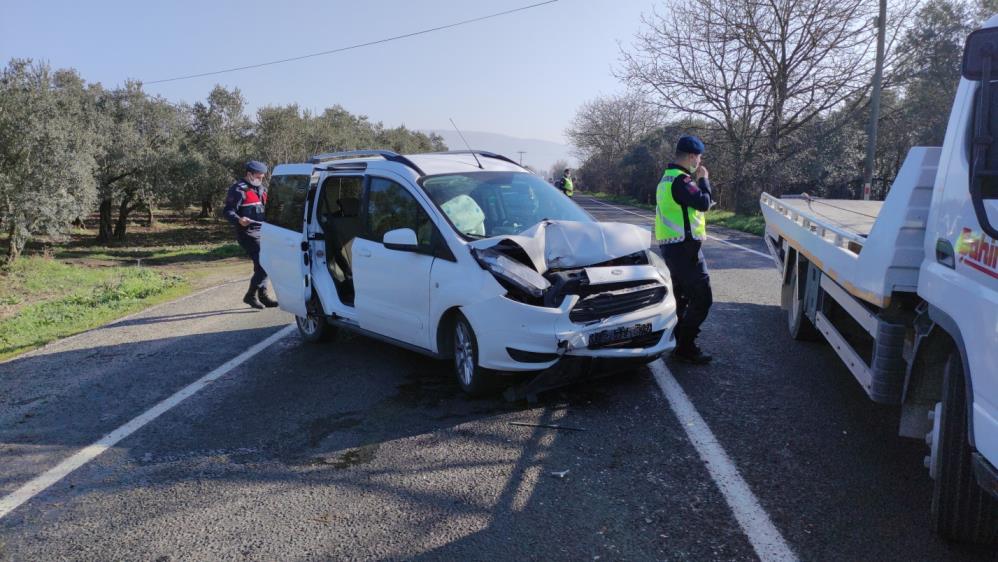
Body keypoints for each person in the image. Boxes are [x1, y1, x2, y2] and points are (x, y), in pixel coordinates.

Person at [656, 136, 713, 364]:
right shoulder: (682, 180)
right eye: (698, 158)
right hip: (685, 249)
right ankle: (686, 346)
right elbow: (704, 203)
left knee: (681, 298)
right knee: (702, 298)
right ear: (691, 157)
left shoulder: (667, 178)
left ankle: (678, 340)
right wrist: (704, 181)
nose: (699, 162)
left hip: (673, 248)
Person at [223, 160, 278, 310]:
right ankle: (250, 295)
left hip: (264, 232)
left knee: (263, 264)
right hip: (248, 234)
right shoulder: (238, 190)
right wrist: (239, 219)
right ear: (249, 174)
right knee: (264, 263)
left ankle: (263, 296)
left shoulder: (262, 188)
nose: (261, 179)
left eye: (262, 177)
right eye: (259, 176)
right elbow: (227, 211)